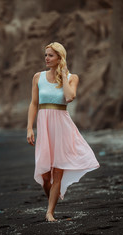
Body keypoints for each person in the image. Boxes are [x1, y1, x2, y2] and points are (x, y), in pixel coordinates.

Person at [26, 42, 100, 222]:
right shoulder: (38, 77)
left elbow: (70, 97)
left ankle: (49, 212)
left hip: (61, 127)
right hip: (44, 127)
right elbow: (34, 104)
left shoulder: (72, 77)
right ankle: (53, 195)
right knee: (44, 175)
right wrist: (29, 127)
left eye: (50, 55)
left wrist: (64, 75)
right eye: (45, 55)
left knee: (57, 172)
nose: (46, 58)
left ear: (60, 57)